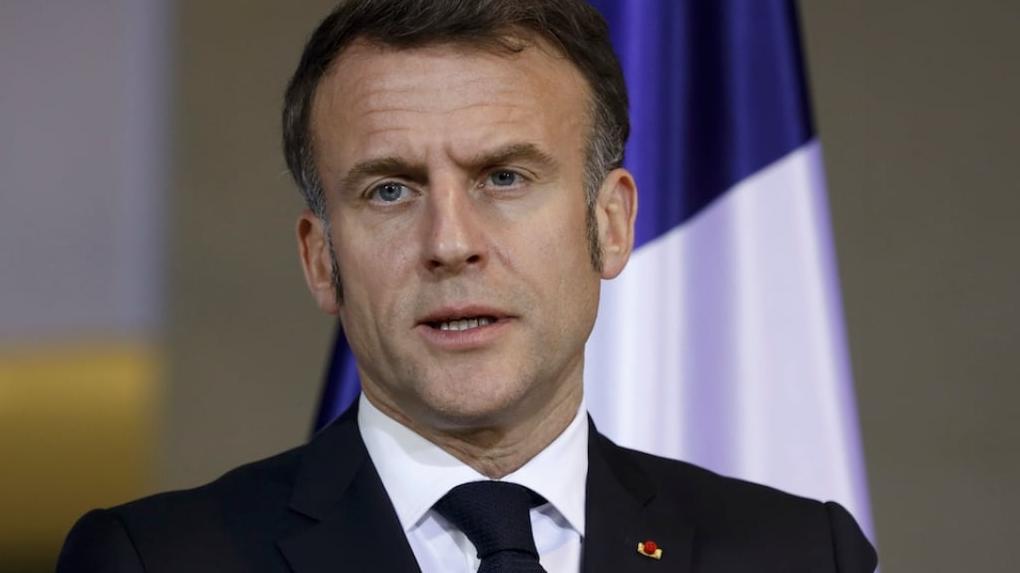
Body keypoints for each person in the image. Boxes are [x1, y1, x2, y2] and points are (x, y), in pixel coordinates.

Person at [57, 0, 877, 571]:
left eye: (505, 177)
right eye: (390, 190)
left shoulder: (799, 554)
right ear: (321, 259)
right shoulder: (158, 559)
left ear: (612, 223)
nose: (450, 243)